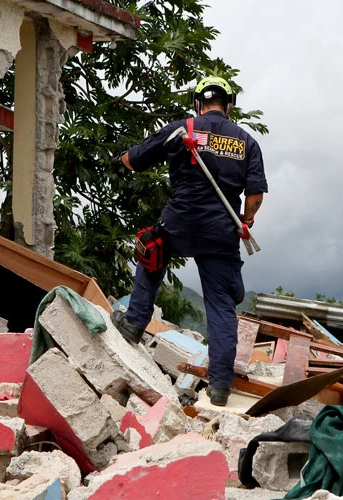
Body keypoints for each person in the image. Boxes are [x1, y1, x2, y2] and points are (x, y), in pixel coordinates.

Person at [111, 76, 267, 406]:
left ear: (198, 103)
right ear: (229, 105)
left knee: (151, 249)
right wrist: (246, 220)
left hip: (179, 223)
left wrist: (120, 158)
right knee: (221, 306)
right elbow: (254, 196)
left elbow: (135, 159)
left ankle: (134, 323)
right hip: (221, 231)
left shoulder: (182, 129)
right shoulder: (247, 142)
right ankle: (220, 386)